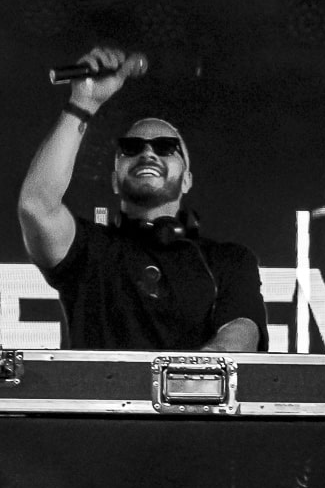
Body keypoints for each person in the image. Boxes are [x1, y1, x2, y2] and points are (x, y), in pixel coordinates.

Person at [17, 45, 266, 351]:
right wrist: (83, 103)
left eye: (165, 147)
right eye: (131, 148)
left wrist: (191, 373)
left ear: (187, 179)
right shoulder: (88, 251)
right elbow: (36, 205)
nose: (148, 153)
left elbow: (241, 331)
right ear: (114, 180)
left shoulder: (228, 261)